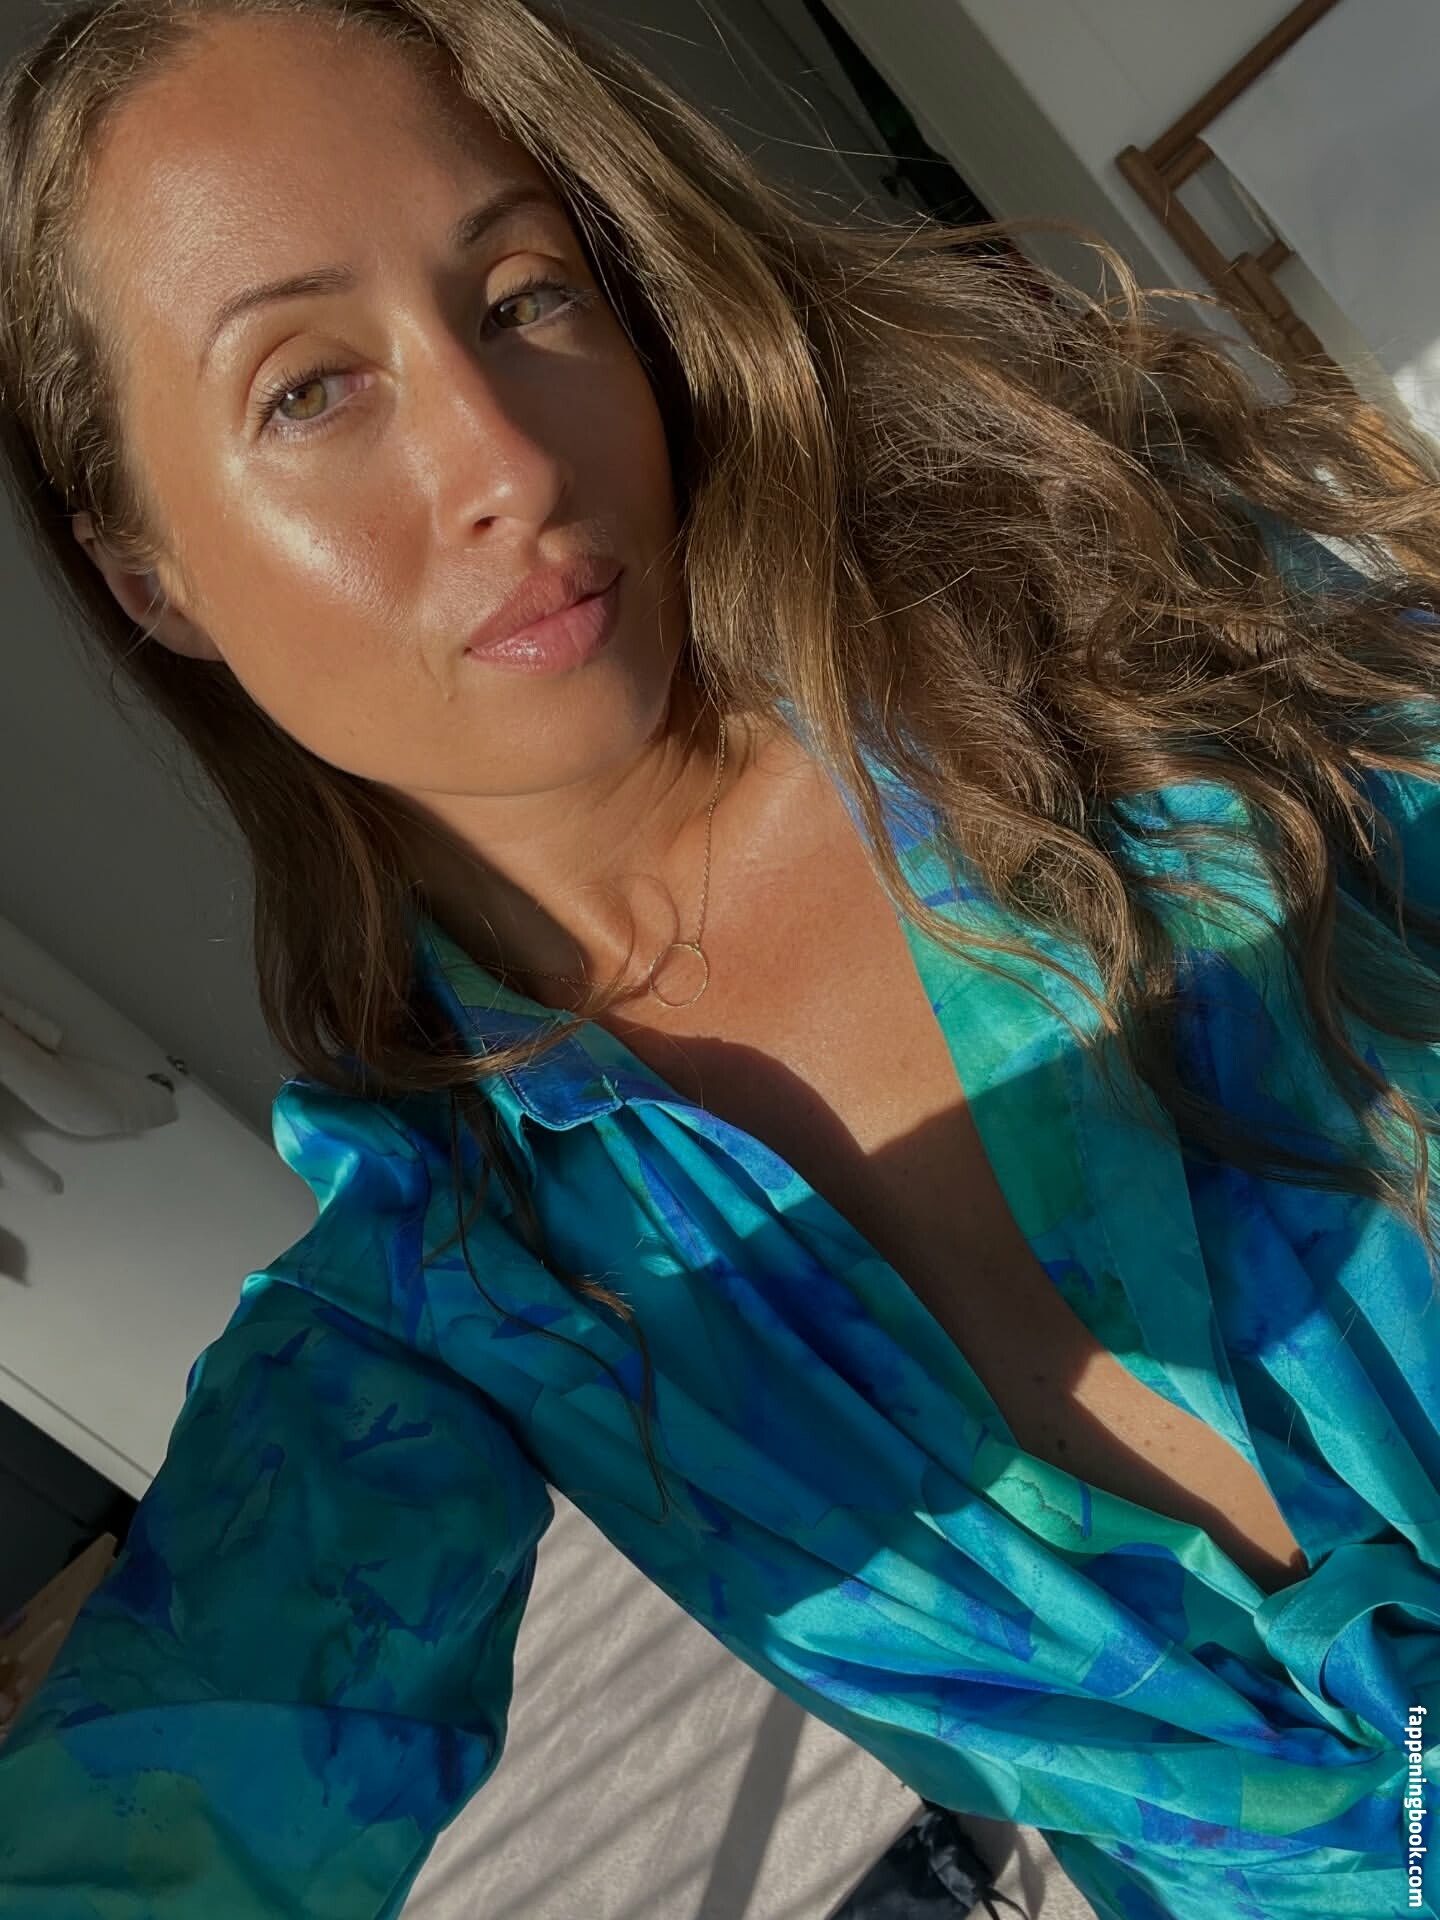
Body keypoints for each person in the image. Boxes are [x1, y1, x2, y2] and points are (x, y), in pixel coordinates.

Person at [0, 2, 1437, 1915]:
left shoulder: (1175, 665)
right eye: (309, 390)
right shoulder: (454, 1290)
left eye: (524, 296)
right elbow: (168, 1824)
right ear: (148, 574)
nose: (505, 456)